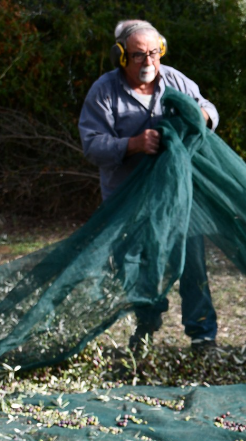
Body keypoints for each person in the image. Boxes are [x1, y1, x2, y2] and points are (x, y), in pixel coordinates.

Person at [78, 19, 220, 353]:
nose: (148, 61)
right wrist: (132, 145)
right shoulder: (104, 91)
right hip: (129, 201)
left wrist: (201, 116)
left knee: (192, 261)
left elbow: (208, 109)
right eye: (139, 55)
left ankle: (202, 334)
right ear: (121, 56)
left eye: (154, 53)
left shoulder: (174, 79)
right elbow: (92, 145)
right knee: (136, 266)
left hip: (178, 195)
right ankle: (146, 327)